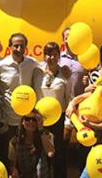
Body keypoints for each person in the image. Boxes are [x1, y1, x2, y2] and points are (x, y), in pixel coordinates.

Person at [0, 33, 42, 165]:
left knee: (27, 158)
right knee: (10, 157)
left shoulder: (32, 64)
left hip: (28, 120)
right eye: (16, 46)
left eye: (22, 46)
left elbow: (48, 69)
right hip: (9, 120)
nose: (19, 49)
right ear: (9, 47)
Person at [39, 42, 72, 177]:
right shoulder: (38, 72)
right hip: (41, 121)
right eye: (48, 54)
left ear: (58, 56)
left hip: (59, 121)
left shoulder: (65, 74)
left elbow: (69, 99)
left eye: (54, 55)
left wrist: (67, 125)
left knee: (59, 158)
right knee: (44, 158)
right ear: (44, 56)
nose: (51, 58)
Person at [8, 110, 54, 178]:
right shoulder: (14, 142)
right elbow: (12, 164)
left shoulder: (47, 135)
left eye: (34, 119)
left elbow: (50, 153)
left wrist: (41, 129)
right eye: (27, 119)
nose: (31, 122)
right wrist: (14, 171)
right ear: (23, 122)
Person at [59, 26, 87, 97]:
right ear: (63, 40)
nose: (69, 41)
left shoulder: (85, 58)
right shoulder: (58, 59)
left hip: (80, 101)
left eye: (71, 38)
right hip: (63, 101)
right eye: (66, 38)